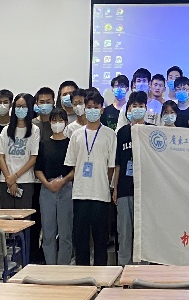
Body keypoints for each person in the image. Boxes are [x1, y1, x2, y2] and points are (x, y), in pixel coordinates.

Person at [65, 90, 117, 266]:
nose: (92, 110)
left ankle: (102, 275)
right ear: (85, 109)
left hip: (100, 194)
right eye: (89, 107)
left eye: (96, 107)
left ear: (102, 109)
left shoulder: (110, 134)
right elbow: (73, 164)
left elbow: (111, 167)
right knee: (80, 239)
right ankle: (82, 273)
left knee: (101, 239)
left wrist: (102, 182)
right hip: (80, 193)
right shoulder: (76, 135)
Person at [113, 91, 147, 265]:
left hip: (146, 192)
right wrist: (115, 188)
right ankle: (123, 267)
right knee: (124, 231)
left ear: (146, 109)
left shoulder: (151, 131)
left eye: (141, 106)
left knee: (144, 232)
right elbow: (118, 163)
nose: (138, 109)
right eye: (134, 106)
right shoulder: (122, 133)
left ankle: (143, 269)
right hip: (125, 188)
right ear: (128, 110)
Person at [36, 108, 73, 265]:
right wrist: (47, 184)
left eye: (60, 120)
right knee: (48, 233)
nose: (57, 123)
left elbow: (75, 168)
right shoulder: (44, 144)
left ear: (66, 122)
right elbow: (38, 169)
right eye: (54, 120)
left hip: (66, 188)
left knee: (65, 233)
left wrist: (63, 181)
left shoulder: (71, 144)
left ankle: (63, 268)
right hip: (47, 189)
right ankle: (50, 267)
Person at [0, 92, 40, 209]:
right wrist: (9, 179)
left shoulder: (35, 130)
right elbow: (0, 157)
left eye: (24, 106)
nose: (20, 109)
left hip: (25, 181)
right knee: (6, 217)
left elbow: (33, 158)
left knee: (24, 217)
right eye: (18, 106)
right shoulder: (6, 129)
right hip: (6, 180)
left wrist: (15, 177)